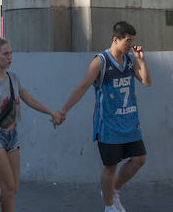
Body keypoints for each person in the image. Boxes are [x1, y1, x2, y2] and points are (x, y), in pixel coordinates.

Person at [59, 21, 152, 212]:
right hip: (108, 124)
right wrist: (64, 110)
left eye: (132, 40)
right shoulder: (100, 61)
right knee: (110, 166)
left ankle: (113, 190)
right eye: (127, 40)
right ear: (115, 39)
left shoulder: (128, 60)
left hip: (130, 122)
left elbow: (146, 82)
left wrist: (141, 60)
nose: (130, 44)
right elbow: (83, 86)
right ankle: (109, 206)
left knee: (139, 159)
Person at [0, 38, 64, 211]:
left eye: (11, 53)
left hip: (12, 137)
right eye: (5, 54)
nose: (10, 57)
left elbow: (29, 99)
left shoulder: (13, 78)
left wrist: (51, 112)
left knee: (13, 188)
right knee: (8, 187)